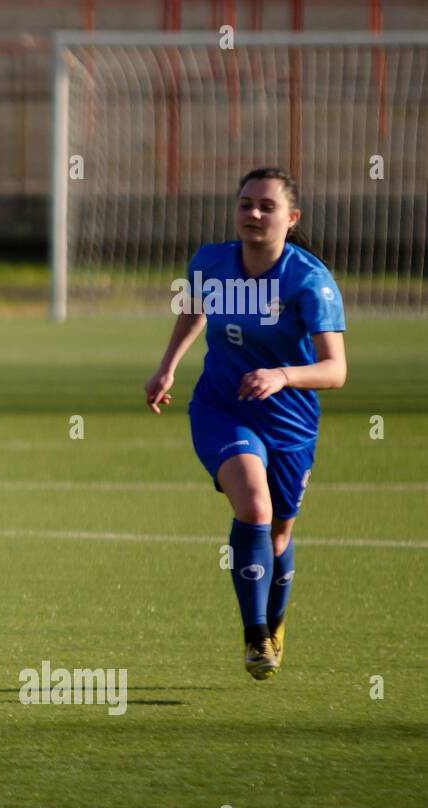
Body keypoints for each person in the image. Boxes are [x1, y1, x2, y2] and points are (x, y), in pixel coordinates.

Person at [145, 167, 347, 680]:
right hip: (221, 407)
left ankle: (275, 622)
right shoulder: (210, 261)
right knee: (253, 503)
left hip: (290, 421)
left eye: (266, 206)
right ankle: (255, 635)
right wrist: (167, 366)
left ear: (291, 218)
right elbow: (193, 311)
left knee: (279, 533)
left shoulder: (310, 281)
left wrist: (283, 375)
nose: (253, 214)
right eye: (244, 204)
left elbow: (335, 370)